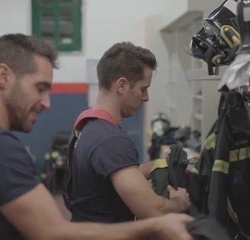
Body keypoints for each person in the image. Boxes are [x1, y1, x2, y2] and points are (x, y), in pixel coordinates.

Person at [0, 33, 194, 240]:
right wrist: (158, 222)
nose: (46, 103)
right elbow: (54, 232)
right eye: (39, 88)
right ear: (3, 76)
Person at [65, 42, 190, 223]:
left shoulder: (87, 125)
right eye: (143, 88)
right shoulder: (111, 140)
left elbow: (116, 172)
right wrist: (178, 203)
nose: (146, 97)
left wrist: (160, 164)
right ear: (122, 85)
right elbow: (152, 211)